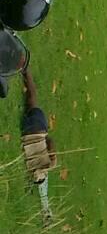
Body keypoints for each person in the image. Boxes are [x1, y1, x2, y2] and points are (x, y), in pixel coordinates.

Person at [20, 67, 56, 221]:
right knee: (29, 102)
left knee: (32, 97)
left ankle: (26, 70)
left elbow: (50, 141)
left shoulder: (49, 164)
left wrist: (52, 154)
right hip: (27, 133)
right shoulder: (32, 169)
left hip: (37, 129)